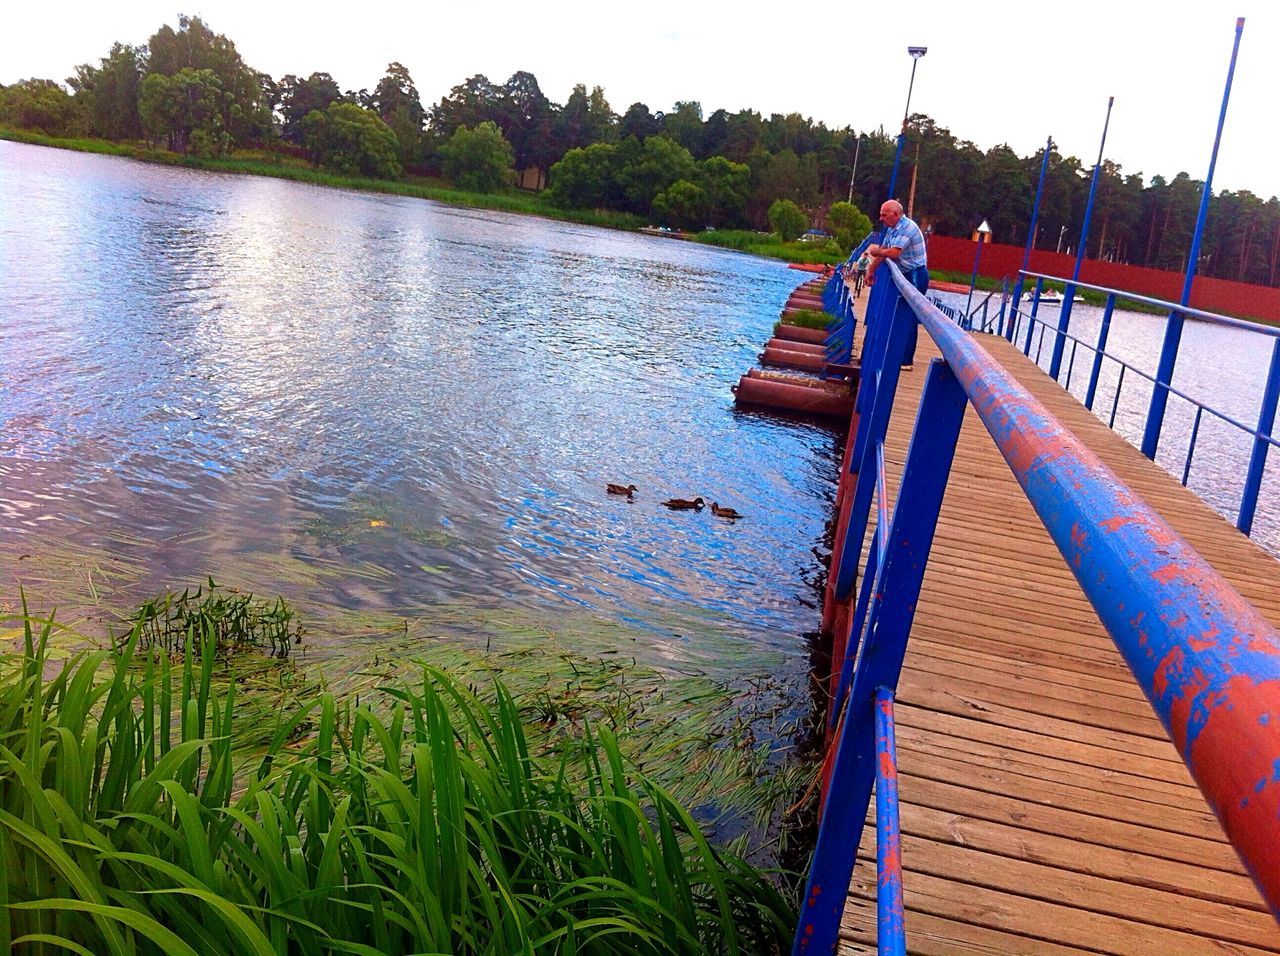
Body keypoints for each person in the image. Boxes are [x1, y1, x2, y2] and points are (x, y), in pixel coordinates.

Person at [865, 199, 929, 368]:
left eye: (884, 215)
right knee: (899, 314)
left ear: (896, 214)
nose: (881, 219)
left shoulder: (907, 227)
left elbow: (893, 252)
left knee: (909, 316)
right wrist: (870, 271)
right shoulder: (892, 228)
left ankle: (906, 360)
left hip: (915, 274)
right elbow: (885, 252)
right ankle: (895, 353)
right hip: (904, 273)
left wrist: (876, 250)